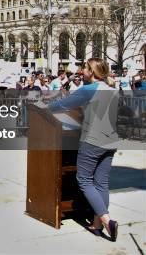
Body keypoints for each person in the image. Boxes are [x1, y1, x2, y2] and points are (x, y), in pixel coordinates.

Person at [47, 58, 119, 241]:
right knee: (101, 183)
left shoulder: (88, 89)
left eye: (84, 69)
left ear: (92, 72)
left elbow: (62, 105)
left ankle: (106, 220)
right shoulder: (113, 90)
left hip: (92, 140)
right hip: (110, 141)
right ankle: (96, 225)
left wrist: (45, 107)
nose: (81, 72)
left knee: (84, 180)